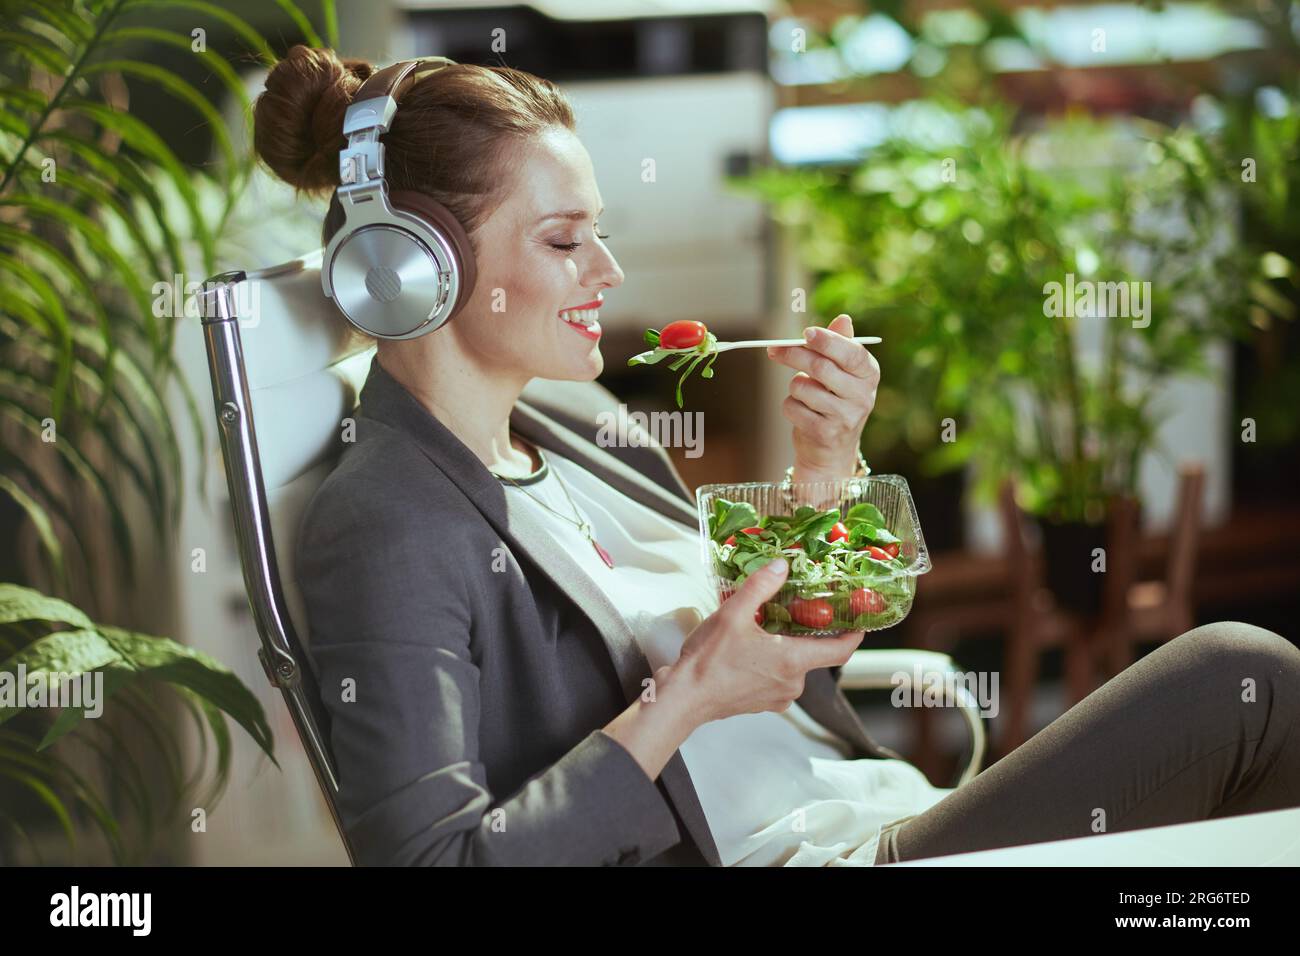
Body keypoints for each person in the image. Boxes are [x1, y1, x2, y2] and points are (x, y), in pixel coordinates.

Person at [253, 46, 1300, 866]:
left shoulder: (579, 423)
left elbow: (798, 663)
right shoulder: (389, 520)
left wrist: (823, 469)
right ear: (409, 269)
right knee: (1243, 681)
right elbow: (435, 858)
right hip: (804, 853)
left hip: (872, 806)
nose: (610, 270)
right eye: (564, 239)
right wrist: (690, 693)